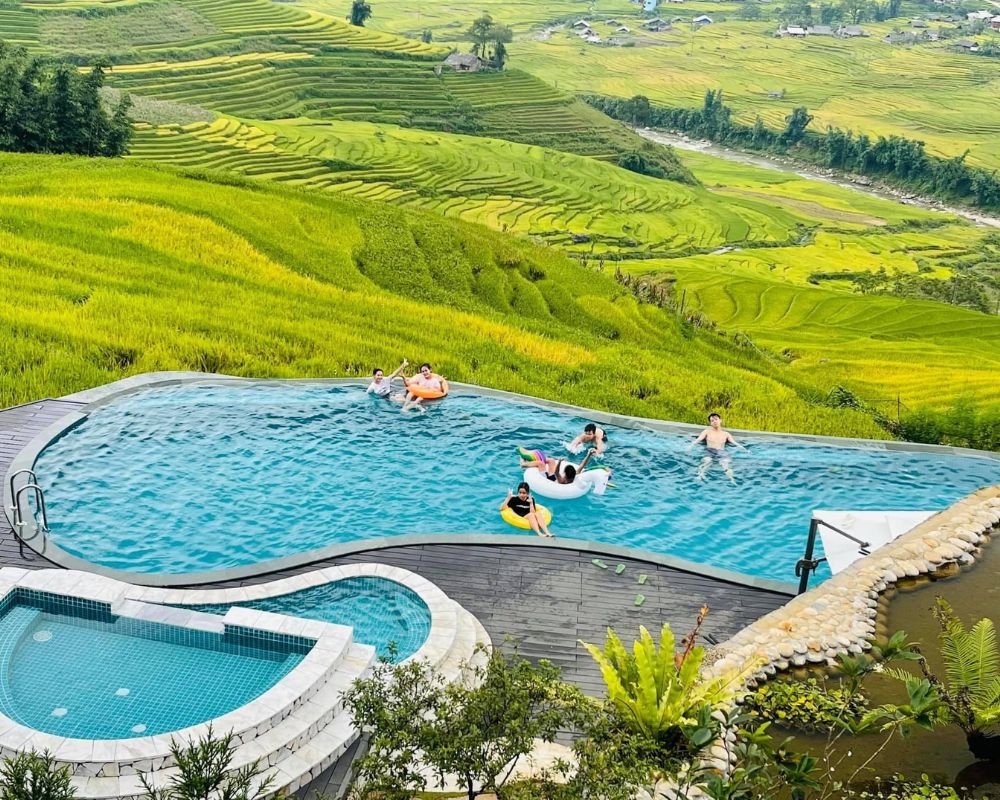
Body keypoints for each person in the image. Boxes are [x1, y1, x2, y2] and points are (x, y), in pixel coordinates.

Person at [687, 413, 747, 482]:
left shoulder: (726, 434)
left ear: (720, 420)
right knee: (707, 461)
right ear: (710, 423)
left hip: (721, 451)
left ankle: (731, 479)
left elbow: (734, 443)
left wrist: (744, 449)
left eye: (716, 419)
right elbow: (698, 440)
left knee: (726, 464)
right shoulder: (707, 431)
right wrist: (690, 446)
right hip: (710, 450)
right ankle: (700, 476)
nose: (715, 421)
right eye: (712, 421)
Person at [520, 448, 598, 484]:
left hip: (547, 479)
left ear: (566, 475)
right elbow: (582, 464)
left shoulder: (563, 480)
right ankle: (536, 458)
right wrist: (589, 455)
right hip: (553, 477)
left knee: (541, 464)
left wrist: (560, 462)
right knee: (551, 460)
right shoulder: (574, 475)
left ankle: (523, 464)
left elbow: (557, 473)